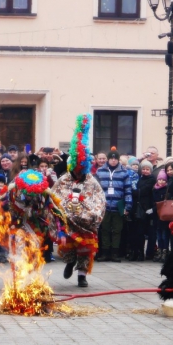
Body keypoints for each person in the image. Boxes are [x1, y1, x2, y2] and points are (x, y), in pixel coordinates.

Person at [54, 114, 105, 287]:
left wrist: (92, 214)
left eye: (80, 170)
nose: (77, 174)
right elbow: (55, 197)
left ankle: (82, 275)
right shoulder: (63, 180)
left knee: (86, 249)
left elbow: (99, 201)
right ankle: (69, 262)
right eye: (74, 170)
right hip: (68, 221)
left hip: (86, 223)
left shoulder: (91, 181)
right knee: (68, 246)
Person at [95, 150, 131, 262]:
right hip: (104, 207)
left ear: (118, 160)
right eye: (111, 158)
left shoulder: (124, 172)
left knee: (117, 230)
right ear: (108, 159)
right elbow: (96, 190)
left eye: (115, 159)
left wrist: (128, 206)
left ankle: (115, 253)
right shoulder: (100, 171)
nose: (113, 160)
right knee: (104, 229)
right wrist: (97, 204)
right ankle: (105, 253)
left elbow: (128, 190)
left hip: (118, 205)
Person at [152, 169, 170, 262]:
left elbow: (163, 203)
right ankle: (159, 250)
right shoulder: (154, 189)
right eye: (160, 179)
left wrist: (154, 208)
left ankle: (165, 251)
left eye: (164, 180)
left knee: (164, 235)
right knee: (158, 235)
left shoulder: (166, 190)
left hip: (164, 215)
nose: (161, 181)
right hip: (157, 216)